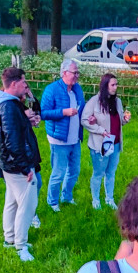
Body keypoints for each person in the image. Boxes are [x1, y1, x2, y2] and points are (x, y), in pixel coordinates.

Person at [0, 67, 43, 261]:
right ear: (14, 84)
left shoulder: (5, 103)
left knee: (12, 201)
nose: (25, 85)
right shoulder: (9, 107)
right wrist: (25, 167)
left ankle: (10, 238)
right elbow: (12, 141)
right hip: (16, 165)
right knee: (27, 204)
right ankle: (21, 246)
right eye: (23, 82)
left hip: (9, 164)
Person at [41, 59, 86, 211]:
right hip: (59, 140)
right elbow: (43, 113)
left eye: (78, 73)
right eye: (75, 73)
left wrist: (89, 117)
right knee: (58, 173)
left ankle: (66, 196)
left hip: (75, 139)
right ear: (64, 73)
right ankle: (52, 201)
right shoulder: (52, 89)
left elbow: (82, 108)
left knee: (74, 171)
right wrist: (63, 112)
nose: (77, 76)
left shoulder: (77, 89)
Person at [82, 72, 131, 209]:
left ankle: (109, 198)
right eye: (113, 85)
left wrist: (125, 120)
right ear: (105, 86)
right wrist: (100, 130)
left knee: (111, 173)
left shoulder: (117, 101)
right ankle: (96, 200)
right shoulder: (94, 102)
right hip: (100, 144)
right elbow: (84, 120)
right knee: (98, 173)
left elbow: (118, 121)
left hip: (115, 143)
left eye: (116, 84)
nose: (116, 87)